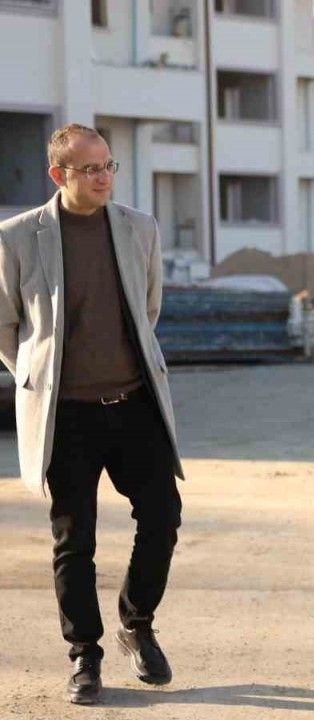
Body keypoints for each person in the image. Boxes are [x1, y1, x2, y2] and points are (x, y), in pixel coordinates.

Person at [0, 124, 184, 705]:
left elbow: (147, 308)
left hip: (134, 405)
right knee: (74, 539)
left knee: (163, 515)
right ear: (59, 175)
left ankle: (138, 623)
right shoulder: (17, 237)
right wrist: (40, 377)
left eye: (108, 166)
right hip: (67, 415)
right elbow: (6, 326)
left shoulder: (139, 228)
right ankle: (85, 654)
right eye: (90, 169)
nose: (104, 177)